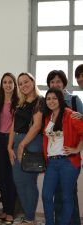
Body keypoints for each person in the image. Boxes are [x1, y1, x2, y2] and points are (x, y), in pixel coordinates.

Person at [42, 88, 83, 225]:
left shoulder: (70, 114)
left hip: (68, 163)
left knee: (67, 197)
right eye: (48, 98)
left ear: (60, 99)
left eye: (54, 98)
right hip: (52, 163)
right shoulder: (48, 117)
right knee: (47, 196)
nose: (51, 101)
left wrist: (77, 148)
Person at [7, 72, 44, 225]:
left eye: (26, 82)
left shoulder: (40, 101)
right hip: (17, 141)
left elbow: (36, 126)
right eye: (20, 83)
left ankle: (29, 218)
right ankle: (28, 215)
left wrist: (22, 145)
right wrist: (9, 147)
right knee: (18, 181)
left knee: (29, 181)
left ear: (32, 81)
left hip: (32, 142)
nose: (23, 85)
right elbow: (13, 127)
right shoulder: (20, 103)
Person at [0, 73, 18, 224]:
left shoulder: (19, 102)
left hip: (13, 142)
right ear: (1, 85)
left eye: (10, 82)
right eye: (5, 82)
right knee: (3, 178)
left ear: (14, 85)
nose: (7, 85)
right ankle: (5, 209)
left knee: (12, 178)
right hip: (0, 141)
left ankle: (11, 211)